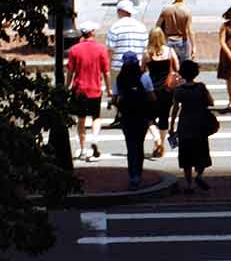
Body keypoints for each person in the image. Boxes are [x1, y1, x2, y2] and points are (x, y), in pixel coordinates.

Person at [169, 59, 216, 192]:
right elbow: (210, 102)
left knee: (186, 156)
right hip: (200, 124)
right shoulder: (201, 87)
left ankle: (189, 184)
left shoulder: (179, 90)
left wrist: (172, 126)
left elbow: (175, 109)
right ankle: (199, 175)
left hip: (185, 125)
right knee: (201, 152)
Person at [67, 22, 111, 162]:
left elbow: (70, 71)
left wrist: (67, 86)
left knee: (81, 119)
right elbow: (106, 72)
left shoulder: (74, 50)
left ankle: (82, 148)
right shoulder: (101, 49)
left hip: (79, 89)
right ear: (92, 33)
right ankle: (95, 139)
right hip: (95, 89)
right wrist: (109, 89)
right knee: (96, 117)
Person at [113, 54, 153, 189]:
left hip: (127, 116)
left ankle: (132, 175)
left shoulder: (120, 78)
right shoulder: (144, 77)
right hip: (142, 116)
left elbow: (115, 99)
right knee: (139, 145)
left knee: (130, 146)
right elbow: (152, 96)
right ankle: (138, 174)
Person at [143, 27, 178, 158]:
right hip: (167, 89)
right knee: (164, 117)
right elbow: (177, 67)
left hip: (152, 89)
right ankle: (161, 144)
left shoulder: (147, 53)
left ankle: (156, 139)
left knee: (149, 117)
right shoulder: (169, 51)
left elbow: (142, 69)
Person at [155, 0, 194, 65]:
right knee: (183, 65)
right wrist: (194, 47)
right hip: (182, 41)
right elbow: (190, 30)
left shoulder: (166, 10)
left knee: (168, 64)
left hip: (168, 40)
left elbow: (158, 26)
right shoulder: (187, 11)